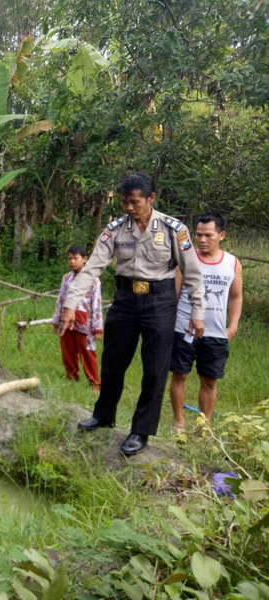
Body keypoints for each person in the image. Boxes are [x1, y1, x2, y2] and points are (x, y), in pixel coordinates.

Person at [58, 173, 205, 457]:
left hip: (160, 302)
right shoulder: (115, 229)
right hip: (125, 300)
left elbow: (193, 273)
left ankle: (141, 431)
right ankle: (103, 415)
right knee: (112, 363)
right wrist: (70, 304)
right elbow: (92, 268)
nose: (128, 207)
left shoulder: (174, 229)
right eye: (124, 202)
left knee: (155, 369)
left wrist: (197, 312)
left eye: (134, 202)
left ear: (151, 198)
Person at [169, 214, 243, 431]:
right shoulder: (186, 259)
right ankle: (179, 422)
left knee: (209, 380)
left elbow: (236, 296)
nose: (202, 240)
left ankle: (204, 425)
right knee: (180, 374)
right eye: (198, 235)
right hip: (184, 328)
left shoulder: (232, 263)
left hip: (216, 332)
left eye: (208, 235)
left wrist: (233, 326)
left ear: (221, 235)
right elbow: (174, 294)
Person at [51, 245, 103, 391]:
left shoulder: (93, 280)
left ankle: (94, 382)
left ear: (85, 259)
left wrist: (97, 328)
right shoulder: (66, 278)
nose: (72, 262)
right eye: (69, 259)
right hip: (67, 319)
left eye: (75, 258)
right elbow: (61, 299)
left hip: (85, 320)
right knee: (67, 350)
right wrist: (56, 320)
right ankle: (71, 376)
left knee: (87, 351)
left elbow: (96, 304)